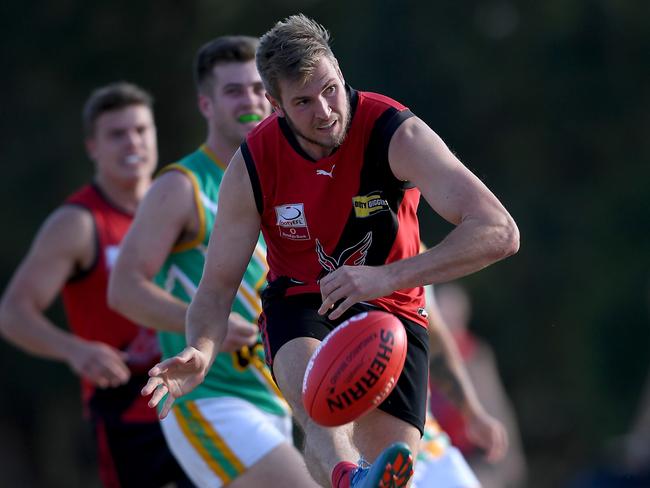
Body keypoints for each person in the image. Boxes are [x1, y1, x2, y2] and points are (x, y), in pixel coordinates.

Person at [142, 14, 520, 488]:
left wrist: (387, 278)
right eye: (303, 101)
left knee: (392, 471)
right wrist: (199, 350)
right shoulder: (254, 166)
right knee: (317, 405)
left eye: (330, 89)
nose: (324, 111)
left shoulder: (394, 134)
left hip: (395, 309)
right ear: (274, 106)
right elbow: (216, 288)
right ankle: (347, 479)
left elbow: (499, 231)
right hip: (303, 301)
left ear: (341, 74)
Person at [108, 37, 318, 488]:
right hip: (208, 402)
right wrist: (207, 325)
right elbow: (122, 288)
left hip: (272, 402)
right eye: (232, 91)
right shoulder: (181, 187)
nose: (250, 101)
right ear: (206, 104)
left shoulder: (286, 182)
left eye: (257, 88)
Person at [0, 82, 191, 487]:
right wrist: (74, 349)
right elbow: (13, 312)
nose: (132, 142)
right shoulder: (78, 223)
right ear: (93, 146)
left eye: (141, 130)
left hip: (197, 401)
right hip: (126, 412)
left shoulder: (180, 208)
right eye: (116, 134)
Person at [422, 282, 527, 488]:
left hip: (476, 456)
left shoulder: (477, 355)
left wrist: (511, 460)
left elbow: (496, 406)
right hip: (434, 451)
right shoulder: (422, 353)